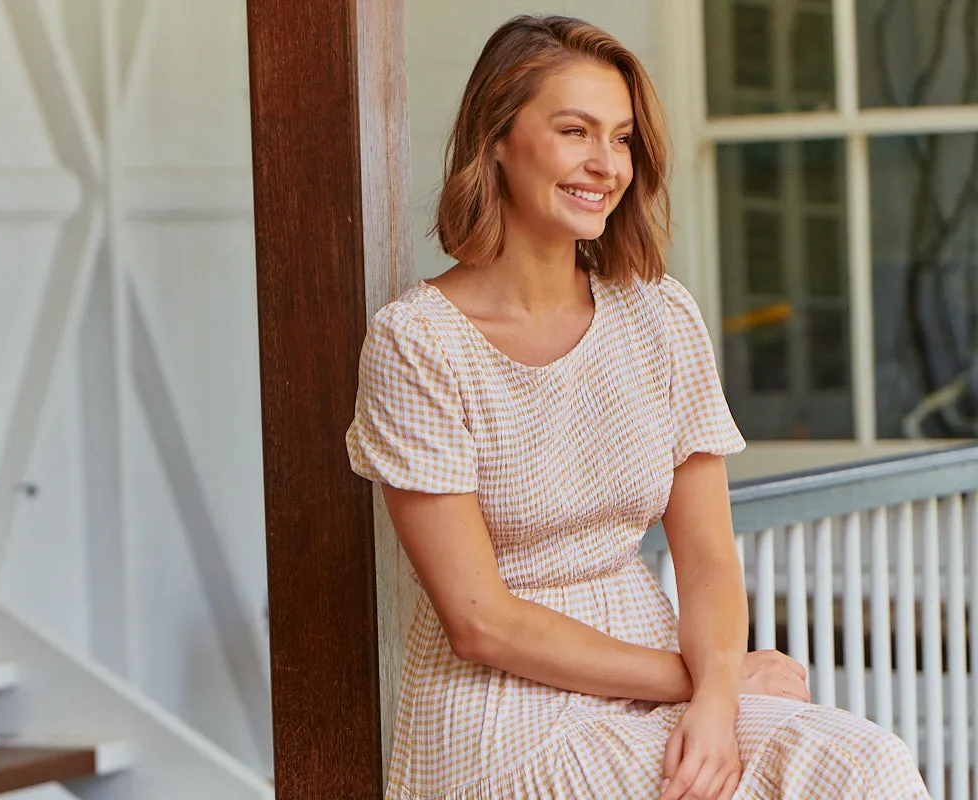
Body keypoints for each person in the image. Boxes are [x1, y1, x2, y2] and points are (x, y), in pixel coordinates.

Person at [346, 14, 928, 800]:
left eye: (621, 138)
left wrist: (720, 698)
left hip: (668, 681)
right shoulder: (417, 343)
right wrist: (704, 679)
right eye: (574, 131)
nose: (605, 164)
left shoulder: (659, 315)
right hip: (503, 716)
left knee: (863, 765)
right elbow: (481, 622)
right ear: (496, 138)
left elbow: (710, 558)